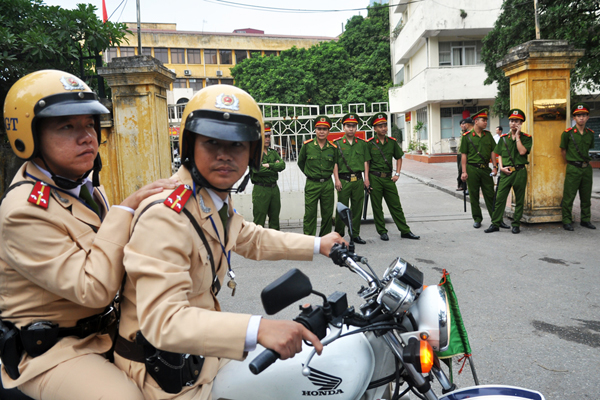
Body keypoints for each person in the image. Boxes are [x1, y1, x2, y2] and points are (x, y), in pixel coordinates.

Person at [112, 85, 346, 400]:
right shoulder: (165, 216)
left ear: (253, 151)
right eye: (211, 143)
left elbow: (250, 237)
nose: (225, 154)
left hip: (202, 356)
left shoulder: (211, 200)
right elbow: (164, 322)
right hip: (162, 378)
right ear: (190, 146)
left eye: (237, 144)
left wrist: (319, 244)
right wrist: (259, 329)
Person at [0, 70, 177, 400]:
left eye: (89, 124)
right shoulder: (24, 210)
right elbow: (93, 289)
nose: (87, 137)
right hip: (55, 352)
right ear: (30, 135)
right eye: (67, 126)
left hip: (107, 332)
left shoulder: (84, 190)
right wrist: (125, 211)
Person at [367, 114, 420, 241]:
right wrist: (367, 179)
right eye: (380, 126)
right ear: (375, 129)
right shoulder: (369, 144)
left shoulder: (392, 142)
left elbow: (398, 157)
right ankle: (382, 231)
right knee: (377, 206)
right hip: (375, 178)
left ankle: (405, 230)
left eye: (385, 125)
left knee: (395, 205)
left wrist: (397, 173)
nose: (383, 128)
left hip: (389, 178)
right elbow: (367, 162)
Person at [484, 109, 532, 234]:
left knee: (519, 199)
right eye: (511, 120)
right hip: (506, 172)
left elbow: (522, 152)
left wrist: (517, 137)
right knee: (500, 198)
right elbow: (498, 154)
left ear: (521, 123)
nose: (513, 123)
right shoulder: (503, 138)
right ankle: (495, 223)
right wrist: (500, 167)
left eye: (516, 121)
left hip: (520, 172)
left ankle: (516, 224)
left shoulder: (527, 138)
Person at [460, 109, 508, 229]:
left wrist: (495, 167)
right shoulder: (467, 137)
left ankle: (496, 219)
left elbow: (493, 151)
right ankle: (477, 218)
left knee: (490, 195)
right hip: (472, 169)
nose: (486, 122)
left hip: (486, 169)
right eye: (483, 120)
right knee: (474, 195)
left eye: (486, 120)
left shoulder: (488, 135)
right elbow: (464, 155)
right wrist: (464, 171)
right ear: (476, 121)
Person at [333, 114, 371, 244]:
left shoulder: (362, 144)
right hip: (343, 180)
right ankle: (338, 235)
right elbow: (335, 164)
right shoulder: (337, 144)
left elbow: (366, 161)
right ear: (343, 127)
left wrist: (366, 178)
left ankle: (355, 235)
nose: (351, 128)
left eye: (353, 126)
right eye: (348, 126)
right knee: (341, 209)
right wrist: (336, 179)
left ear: (356, 127)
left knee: (357, 208)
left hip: (358, 180)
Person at [298, 115, 338, 236]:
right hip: (312, 183)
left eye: (324, 129)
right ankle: (309, 240)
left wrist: (336, 179)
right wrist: (310, 174)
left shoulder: (333, 148)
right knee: (310, 214)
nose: (321, 131)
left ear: (328, 131)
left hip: (327, 184)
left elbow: (335, 163)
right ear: (315, 130)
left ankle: (324, 238)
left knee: (327, 213)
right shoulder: (307, 145)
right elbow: (301, 162)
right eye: (319, 128)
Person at [560, 102, 596, 231]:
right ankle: (567, 220)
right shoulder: (567, 133)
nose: (581, 117)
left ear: (587, 117)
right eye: (578, 115)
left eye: (584, 115)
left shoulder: (590, 133)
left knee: (586, 196)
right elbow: (563, 150)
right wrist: (570, 162)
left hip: (587, 168)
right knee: (569, 196)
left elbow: (589, 148)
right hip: (573, 168)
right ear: (574, 118)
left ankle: (585, 220)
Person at [250, 122, 285, 230]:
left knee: (275, 219)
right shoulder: (254, 153)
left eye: (269, 136)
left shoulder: (273, 152)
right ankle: (257, 245)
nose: (268, 139)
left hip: (274, 188)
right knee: (259, 220)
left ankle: (274, 245)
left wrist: (269, 165)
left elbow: (282, 165)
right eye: (265, 136)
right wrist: (275, 168)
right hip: (261, 189)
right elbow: (258, 170)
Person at [456, 117, 473, 191]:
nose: (463, 125)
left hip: (466, 154)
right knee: (460, 170)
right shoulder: (461, 133)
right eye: (462, 124)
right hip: (459, 153)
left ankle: (465, 186)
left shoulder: (468, 133)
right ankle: (461, 185)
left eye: (464, 124)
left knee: (463, 169)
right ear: (460, 125)